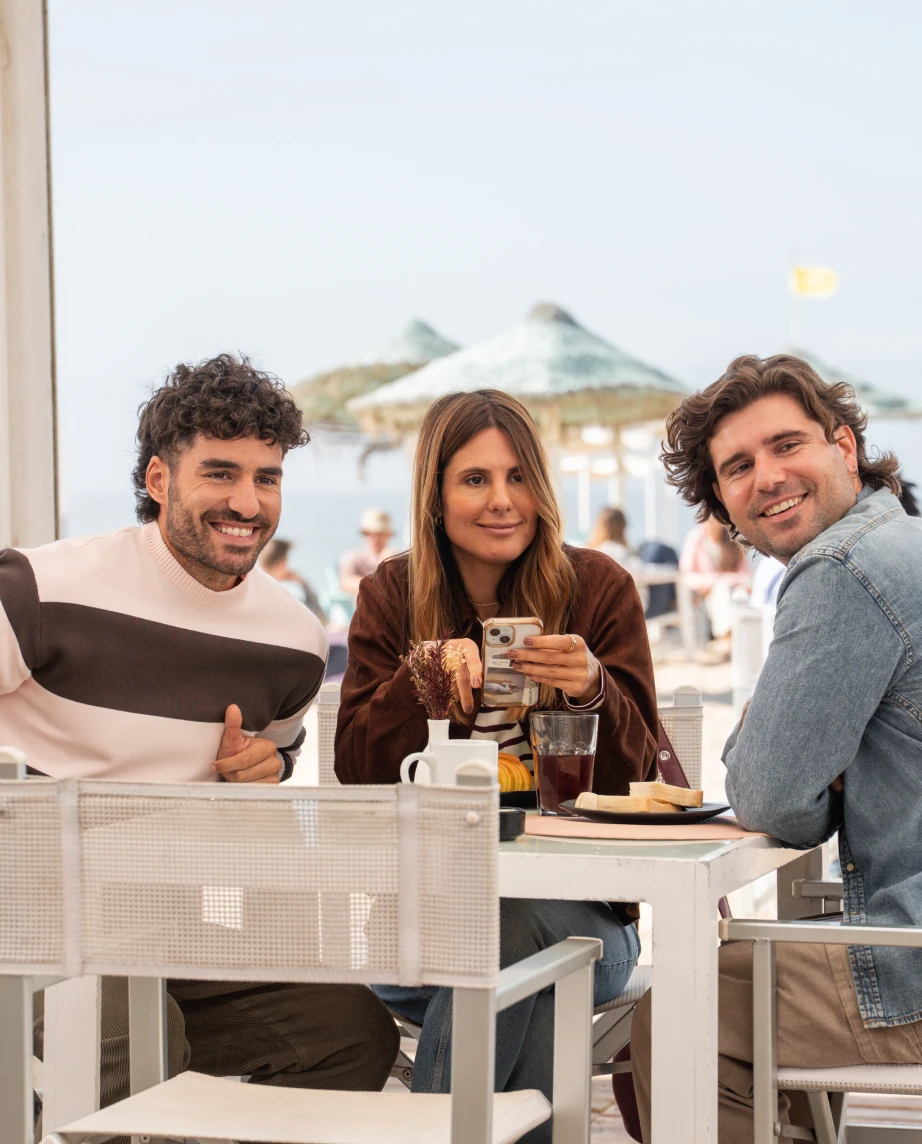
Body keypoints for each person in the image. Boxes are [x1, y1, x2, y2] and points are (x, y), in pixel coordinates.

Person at [0, 354, 398, 1127]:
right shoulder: (41, 591)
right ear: (159, 479)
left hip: (168, 928)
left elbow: (272, 762)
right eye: (220, 473)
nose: (247, 502)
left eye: (267, 478)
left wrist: (265, 769)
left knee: (351, 1035)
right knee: (137, 1046)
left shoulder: (293, 641)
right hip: (34, 925)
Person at [335, 388, 658, 1143]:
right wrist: (419, 680)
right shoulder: (393, 593)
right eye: (474, 479)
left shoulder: (597, 588)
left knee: (512, 934)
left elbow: (638, 782)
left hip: (584, 921)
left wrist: (593, 689)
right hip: (420, 929)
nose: (502, 501)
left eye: (518, 477)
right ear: (435, 493)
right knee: (531, 989)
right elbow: (357, 770)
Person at [631, 353, 922, 1143]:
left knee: (687, 1007)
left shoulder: (844, 568)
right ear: (723, 503)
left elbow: (768, 796)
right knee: (748, 975)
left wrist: (797, 764)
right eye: (738, 466)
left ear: (844, 448)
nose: (766, 476)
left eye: (786, 445)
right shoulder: (903, 543)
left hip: (913, 953)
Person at [679, 513, 752, 639]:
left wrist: (728, 580)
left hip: (734, 590)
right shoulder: (695, 539)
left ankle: (741, 636)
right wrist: (717, 581)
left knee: (740, 594)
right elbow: (687, 576)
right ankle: (725, 636)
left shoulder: (733, 540)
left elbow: (746, 577)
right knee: (721, 589)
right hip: (708, 595)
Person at [260, 536, 327, 624]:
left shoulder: (256, 585)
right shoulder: (290, 589)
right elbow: (319, 618)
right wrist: (303, 584)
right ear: (283, 562)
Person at [338, 508, 395, 596]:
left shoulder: (393, 558)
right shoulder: (353, 557)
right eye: (370, 534)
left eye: (379, 534)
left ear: (388, 535)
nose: (375, 538)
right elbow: (345, 582)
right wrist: (373, 585)